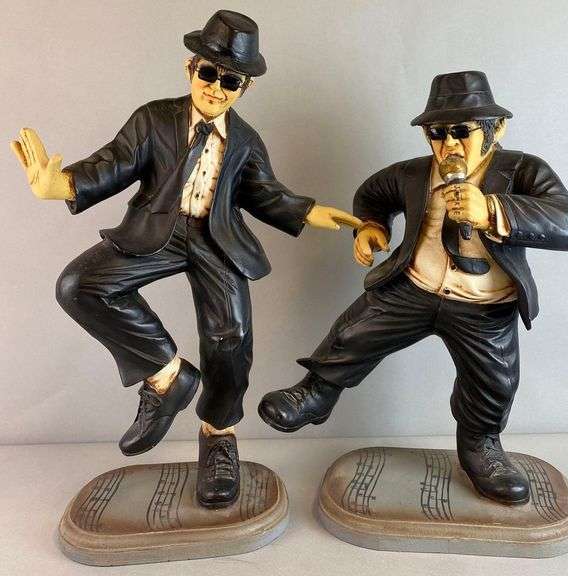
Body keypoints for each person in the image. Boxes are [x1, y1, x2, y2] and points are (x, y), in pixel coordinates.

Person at [11, 10, 359, 509]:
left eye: (231, 81)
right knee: (79, 286)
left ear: (245, 88)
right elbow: (114, 162)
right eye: (209, 73)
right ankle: (167, 376)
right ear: (189, 68)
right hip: (158, 230)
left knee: (231, 338)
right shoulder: (154, 119)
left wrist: (311, 211)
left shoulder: (245, 141)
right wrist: (63, 184)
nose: (216, 88)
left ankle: (219, 436)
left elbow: (266, 193)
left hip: (218, 238)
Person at [259, 71, 568, 505]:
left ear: (496, 129)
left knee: (494, 383)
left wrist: (493, 210)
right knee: (356, 329)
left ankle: (481, 446)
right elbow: (374, 193)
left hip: (484, 304)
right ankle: (317, 391)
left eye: (462, 132)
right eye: (437, 133)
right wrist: (371, 227)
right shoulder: (414, 174)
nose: (449, 144)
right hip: (415, 288)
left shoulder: (523, 171)